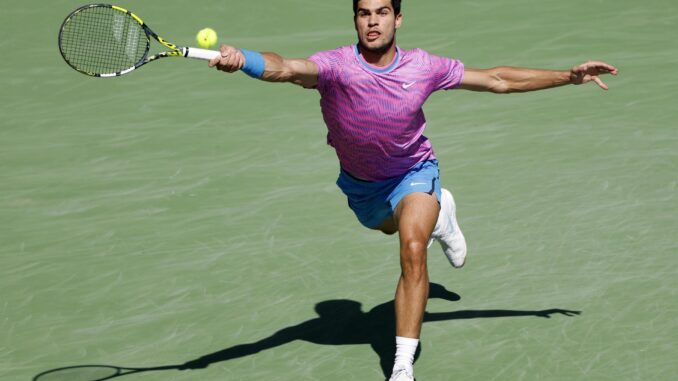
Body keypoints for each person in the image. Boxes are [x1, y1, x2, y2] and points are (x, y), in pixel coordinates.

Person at [207, 0, 617, 379]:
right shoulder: (335, 67)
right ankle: (444, 214)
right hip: (363, 188)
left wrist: (568, 76)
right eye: (364, 13)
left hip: (414, 172)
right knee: (389, 228)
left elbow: (496, 80)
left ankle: (402, 364)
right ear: (355, 19)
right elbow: (285, 68)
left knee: (412, 248)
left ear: (397, 18)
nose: (372, 21)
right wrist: (246, 61)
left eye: (382, 12)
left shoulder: (423, 67)